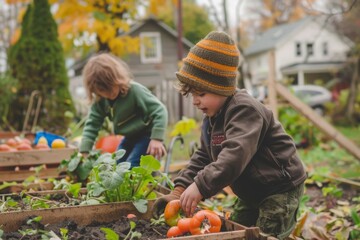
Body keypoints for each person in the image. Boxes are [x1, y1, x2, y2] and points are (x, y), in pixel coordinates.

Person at [152, 31, 307, 239]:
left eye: (201, 93)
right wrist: (178, 191)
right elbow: (204, 156)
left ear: (221, 87)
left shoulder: (245, 110)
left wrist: (200, 186)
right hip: (251, 191)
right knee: (235, 231)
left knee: (267, 235)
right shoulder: (212, 119)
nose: (195, 101)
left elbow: (235, 154)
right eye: (192, 95)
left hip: (278, 189)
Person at [79, 52, 168, 168]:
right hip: (129, 137)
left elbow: (160, 110)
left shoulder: (134, 91)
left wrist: (156, 138)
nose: (109, 94)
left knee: (132, 165)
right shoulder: (100, 101)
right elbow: (92, 125)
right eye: (102, 91)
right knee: (118, 165)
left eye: (110, 88)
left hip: (147, 135)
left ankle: (143, 183)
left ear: (117, 79)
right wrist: (84, 150)